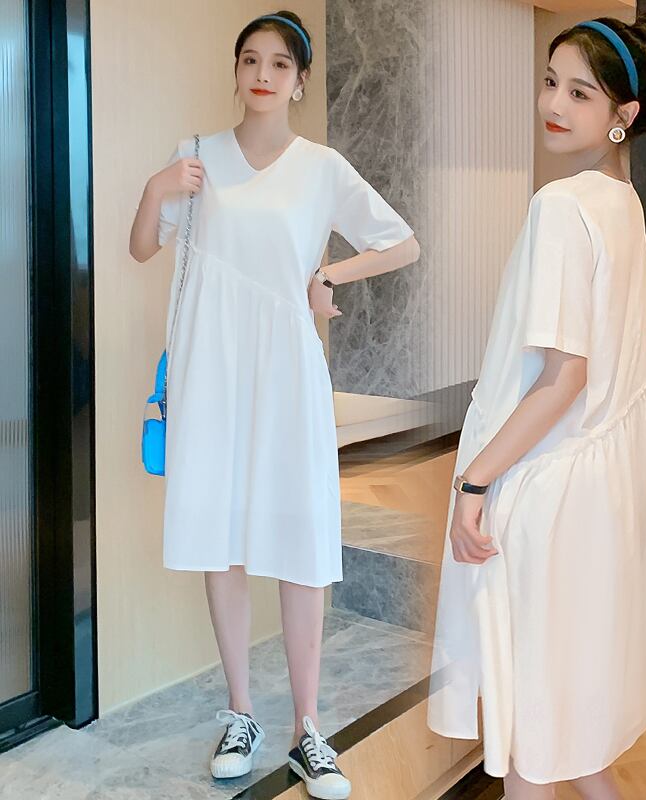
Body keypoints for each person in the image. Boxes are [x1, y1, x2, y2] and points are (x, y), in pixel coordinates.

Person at [129, 11, 419, 798]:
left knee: (299, 543)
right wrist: (157, 188)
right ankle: (241, 713)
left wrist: (328, 278)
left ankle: (307, 729)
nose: (263, 73)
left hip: (287, 372)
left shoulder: (322, 167)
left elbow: (401, 241)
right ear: (237, 71)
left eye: (280, 63)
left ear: (299, 80)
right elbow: (143, 246)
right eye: (251, 59)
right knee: (220, 539)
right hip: (210, 370)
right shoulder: (196, 157)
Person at [427, 14, 646, 800]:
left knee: (533, 732)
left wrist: (473, 481)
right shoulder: (624, 204)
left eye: (580, 93)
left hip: (548, 492)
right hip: (599, 493)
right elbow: (636, 360)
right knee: (571, 727)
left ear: (622, 114)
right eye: (550, 82)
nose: (554, 104)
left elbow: (565, 377)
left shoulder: (563, 205)